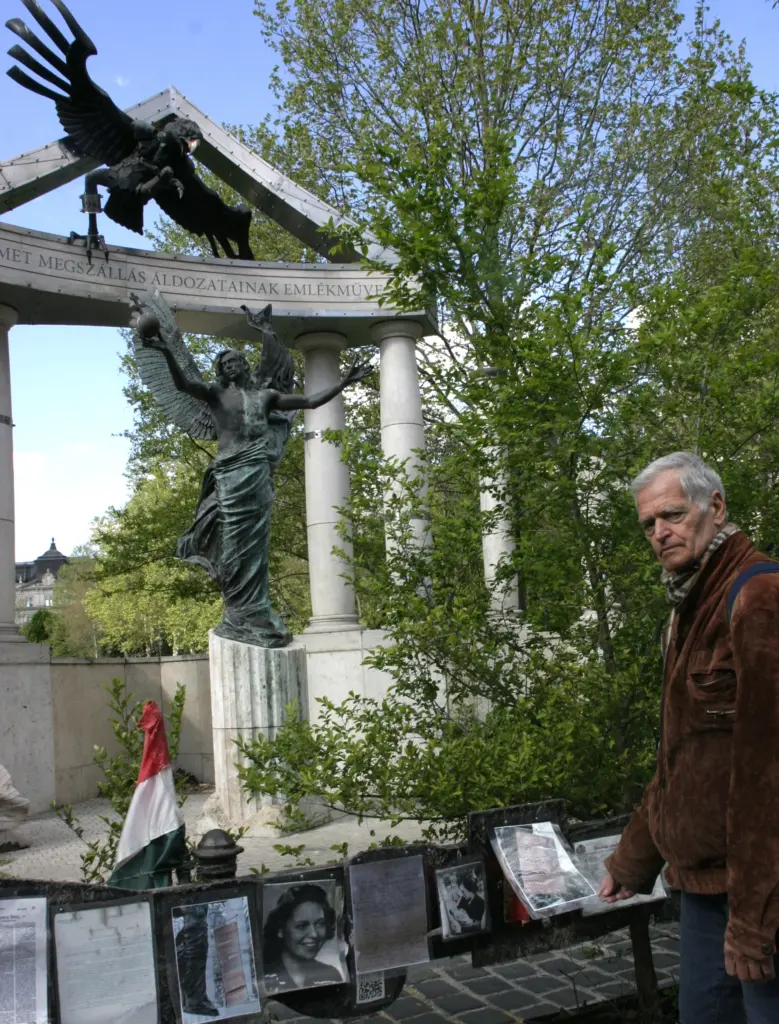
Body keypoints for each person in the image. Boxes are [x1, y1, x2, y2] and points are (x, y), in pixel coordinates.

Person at [598, 452, 779, 1022]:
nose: (659, 533)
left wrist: (754, 921)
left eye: (672, 515)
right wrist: (632, 858)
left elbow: (768, 777)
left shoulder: (759, 596)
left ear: (715, 506)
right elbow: (683, 759)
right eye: (648, 524)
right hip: (704, 889)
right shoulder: (688, 607)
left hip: (761, 893)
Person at [262, 884, 345, 992]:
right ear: (280, 930)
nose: (314, 934)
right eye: (302, 926)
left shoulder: (331, 975)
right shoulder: (264, 976)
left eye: (320, 924)